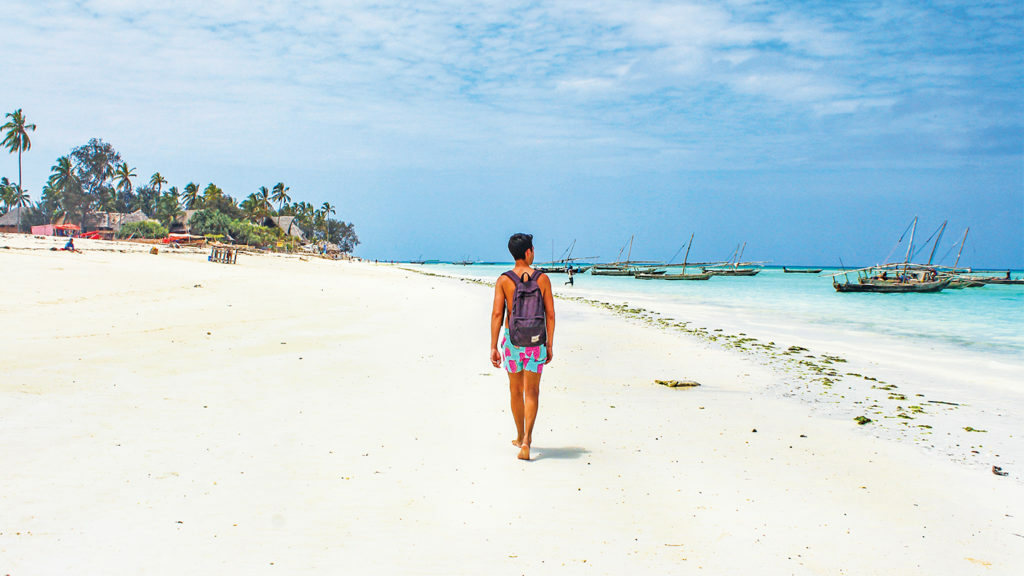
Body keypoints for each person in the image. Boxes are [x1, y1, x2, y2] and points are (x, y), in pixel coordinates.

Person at [490, 233, 555, 461]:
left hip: (512, 341)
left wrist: (493, 346)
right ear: (528, 252)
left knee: (515, 390)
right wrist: (549, 344)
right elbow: (550, 315)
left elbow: (498, 314)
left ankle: (519, 436)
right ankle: (528, 440)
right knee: (533, 392)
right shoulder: (543, 279)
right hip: (537, 341)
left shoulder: (504, 280)